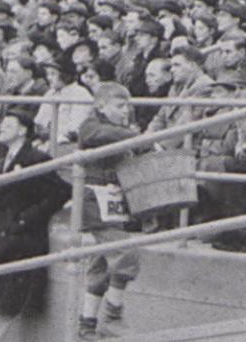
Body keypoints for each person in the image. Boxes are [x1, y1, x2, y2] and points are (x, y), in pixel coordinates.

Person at [0, 108, 71, 342]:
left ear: (22, 130)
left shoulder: (35, 159)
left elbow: (61, 191)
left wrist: (25, 218)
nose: (2, 128)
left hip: (21, 241)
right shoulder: (4, 157)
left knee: (6, 305)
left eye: (8, 124)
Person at [77, 82, 142, 340]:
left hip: (114, 200)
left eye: (128, 105)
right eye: (120, 106)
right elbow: (95, 135)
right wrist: (134, 136)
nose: (125, 111)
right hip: (95, 201)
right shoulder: (91, 124)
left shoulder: (121, 129)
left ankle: (87, 324)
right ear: (100, 105)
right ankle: (113, 316)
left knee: (101, 264)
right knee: (126, 252)